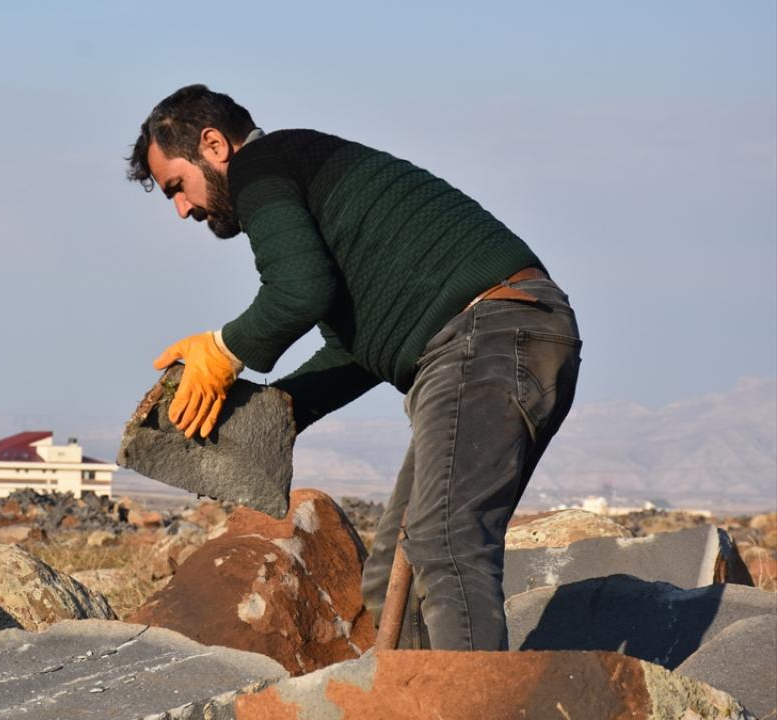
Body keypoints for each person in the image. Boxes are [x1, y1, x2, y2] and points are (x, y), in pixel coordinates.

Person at [126, 84, 582, 651]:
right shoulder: (305, 179)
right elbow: (359, 344)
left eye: (177, 186)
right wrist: (282, 410)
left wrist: (222, 350)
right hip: (493, 339)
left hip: (490, 334)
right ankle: (414, 701)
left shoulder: (262, 166)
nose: (182, 209)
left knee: (445, 542)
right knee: (395, 568)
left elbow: (298, 290)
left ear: (214, 144)